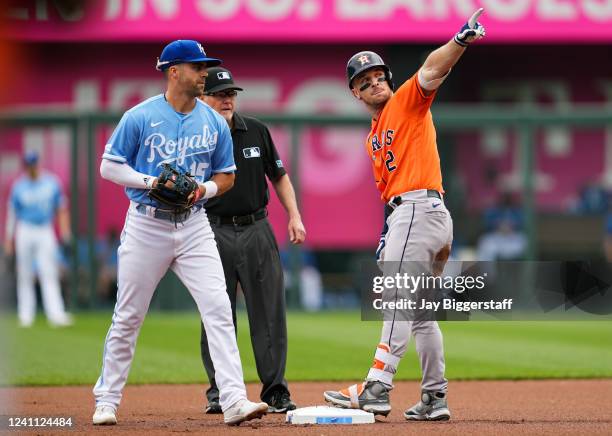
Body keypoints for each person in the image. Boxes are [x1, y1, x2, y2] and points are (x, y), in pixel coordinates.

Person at [92, 40, 268, 427]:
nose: (204, 73)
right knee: (128, 316)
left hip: (193, 224)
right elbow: (109, 166)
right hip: (146, 223)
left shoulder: (213, 122)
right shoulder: (139, 116)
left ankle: (234, 399)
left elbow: (227, 175)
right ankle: (106, 399)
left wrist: (203, 190)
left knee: (219, 309)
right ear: (174, 72)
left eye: (205, 66)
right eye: (197, 66)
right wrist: (150, 180)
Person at [323, 10, 486, 421]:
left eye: (378, 76)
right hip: (417, 214)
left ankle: (377, 386)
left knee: (396, 298)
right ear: (356, 94)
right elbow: (387, 192)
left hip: (419, 210)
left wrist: (460, 41)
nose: (374, 83)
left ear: (388, 81)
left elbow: (433, 68)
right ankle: (434, 397)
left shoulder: (406, 103)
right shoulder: (373, 138)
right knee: (422, 315)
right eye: (364, 81)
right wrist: (386, 231)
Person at [198, 67, 306, 414]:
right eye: (220, 93)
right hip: (211, 228)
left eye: (231, 93)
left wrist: (294, 215)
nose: (227, 99)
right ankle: (219, 390)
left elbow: (280, 176)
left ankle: (275, 390)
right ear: (203, 99)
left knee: (269, 311)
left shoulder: (256, 130)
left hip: (257, 226)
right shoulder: (195, 136)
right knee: (216, 313)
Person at [4, 151, 73, 328]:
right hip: (25, 229)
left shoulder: (51, 182)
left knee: (48, 271)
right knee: (24, 273)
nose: (32, 168)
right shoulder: (19, 186)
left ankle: (55, 313)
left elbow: (61, 210)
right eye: (29, 164)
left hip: (44, 229)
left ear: (39, 163)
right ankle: (25, 315)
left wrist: (65, 234)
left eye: (34, 163)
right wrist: (8, 239)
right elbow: (12, 214)